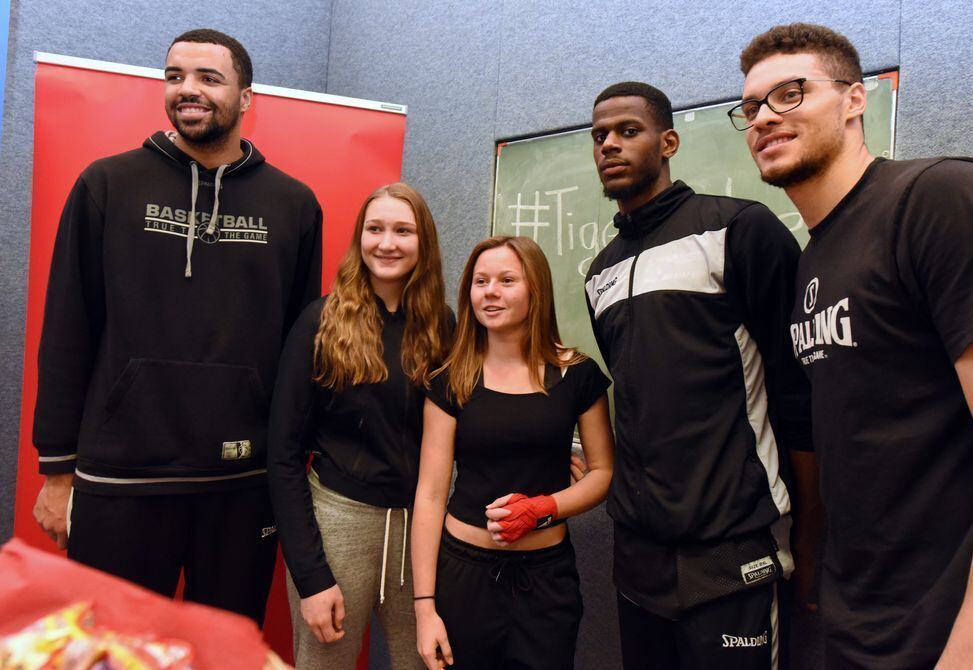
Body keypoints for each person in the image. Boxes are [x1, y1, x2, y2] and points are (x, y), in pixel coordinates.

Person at [30, 28, 322, 625]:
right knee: (112, 654)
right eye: (174, 77)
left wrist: (292, 467)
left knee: (226, 655)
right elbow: (66, 332)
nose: (187, 90)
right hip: (120, 479)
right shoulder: (106, 185)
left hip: (241, 484)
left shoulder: (294, 205)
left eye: (208, 78)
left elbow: (302, 349)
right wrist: (57, 474)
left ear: (245, 97)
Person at [736, 23, 973, 669]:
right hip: (858, 624)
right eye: (750, 107)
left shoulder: (937, 199)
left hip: (952, 629)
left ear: (855, 99)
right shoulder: (811, 261)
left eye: (791, 93)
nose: (765, 117)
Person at [585, 81, 814, 669]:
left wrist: (814, 529)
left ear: (668, 142)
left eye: (627, 131)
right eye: (599, 135)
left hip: (732, 547)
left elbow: (799, 389)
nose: (609, 144)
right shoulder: (599, 273)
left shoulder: (738, 229)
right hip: (638, 559)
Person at [268, 182, 451, 669]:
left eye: (403, 230)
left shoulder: (442, 325)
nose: (387, 243)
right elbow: (283, 456)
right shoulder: (320, 321)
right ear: (359, 237)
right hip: (338, 527)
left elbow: (471, 419)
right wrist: (311, 577)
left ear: (424, 242)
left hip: (421, 530)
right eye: (375, 229)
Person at [411, 235, 614, 670]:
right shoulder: (450, 380)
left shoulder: (576, 374)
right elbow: (429, 495)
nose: (490, 291)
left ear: (535, 290)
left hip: (546, 580)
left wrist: (545, 508)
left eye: (507, 279)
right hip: (462, 578)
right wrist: (425, 609)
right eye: (480, 281)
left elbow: (601, 472)